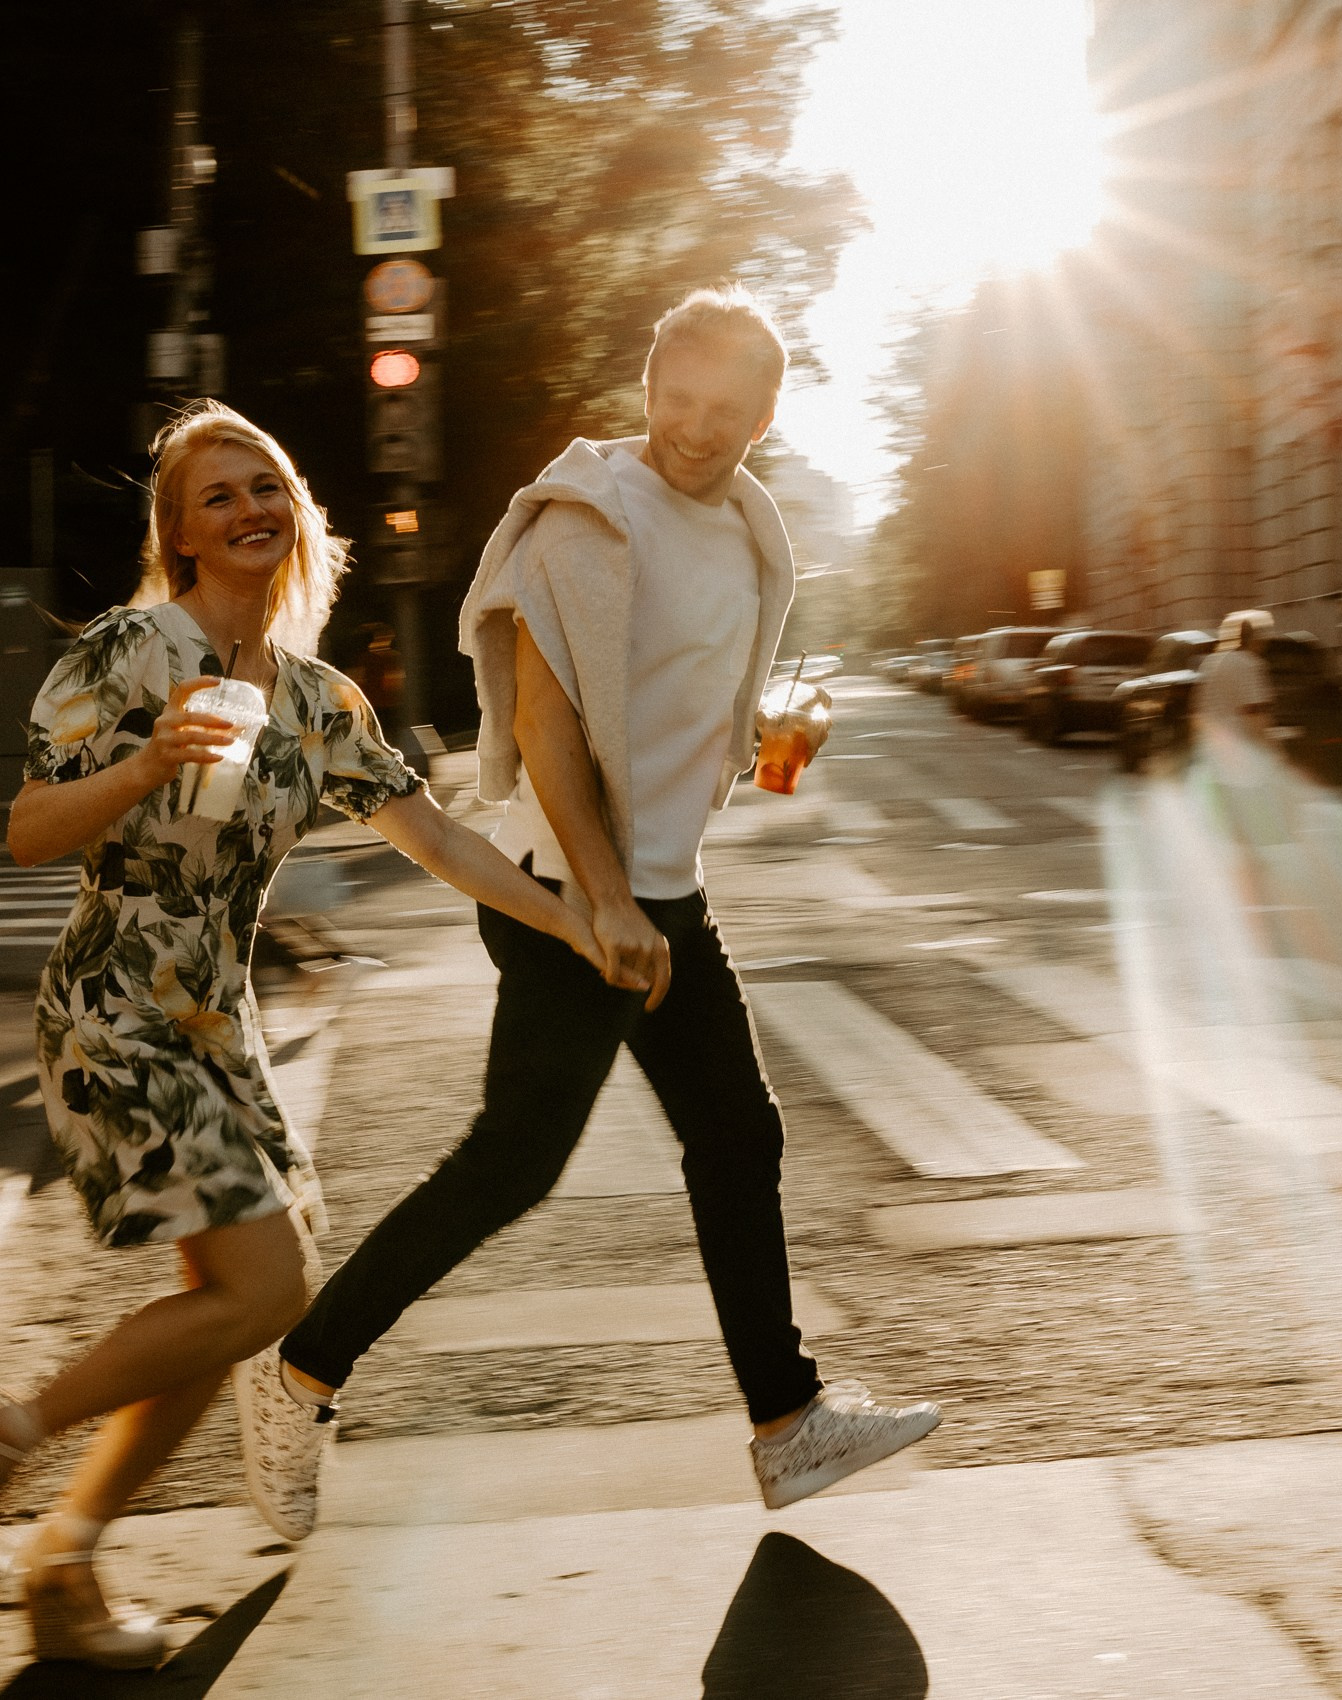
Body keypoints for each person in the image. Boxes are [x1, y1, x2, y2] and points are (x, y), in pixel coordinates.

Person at [0, 402, 627, 1670]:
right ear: (177, 532)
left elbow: (437, 837)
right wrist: (141, 765)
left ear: (296, 514)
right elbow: (25, 828)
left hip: (218, 1020)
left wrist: (577, 919)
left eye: (266, 487)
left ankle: (65, 1563)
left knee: (234, 1307)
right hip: (117, 1001)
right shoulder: (130, 652)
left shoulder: (313, 699)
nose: (249, 509)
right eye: (218, 495)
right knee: (269, 1289)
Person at [241, 286, 941, 1531]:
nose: (693, 428)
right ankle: (298, 1372)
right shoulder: (590, 515)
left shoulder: (744, 523)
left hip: (663, 889)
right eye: (676, 400)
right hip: (570, 890)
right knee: (514, 1164)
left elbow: (678, 699)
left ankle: (787, 1424)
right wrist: (604, 901)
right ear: (649, 385)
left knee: (736, 1140)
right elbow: (546, 714)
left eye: (725, 411)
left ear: (765, 415)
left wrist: (755, 736)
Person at [1192, 608, 1276, 741]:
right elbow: (1254, 711)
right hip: (1240, 743)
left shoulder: (1210, 662)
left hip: (1211, 742)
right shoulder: (1249, 664)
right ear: (1254, 639)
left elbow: (1199, 707)